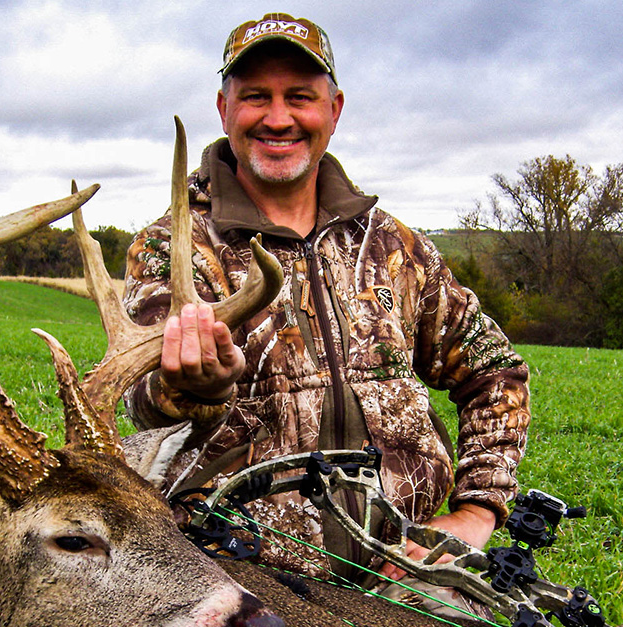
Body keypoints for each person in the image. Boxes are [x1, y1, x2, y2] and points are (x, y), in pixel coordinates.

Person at [122, 13, 530, 581]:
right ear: (223, 108)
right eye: (256, 96)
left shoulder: (393, 246)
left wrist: (475, 511)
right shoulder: (174, 248)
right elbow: (141, 405)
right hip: (243, 578)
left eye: (300, 97)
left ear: (334, 110)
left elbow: (496, 372)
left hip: (407, 571)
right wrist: (189, 387)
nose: (279, 117)